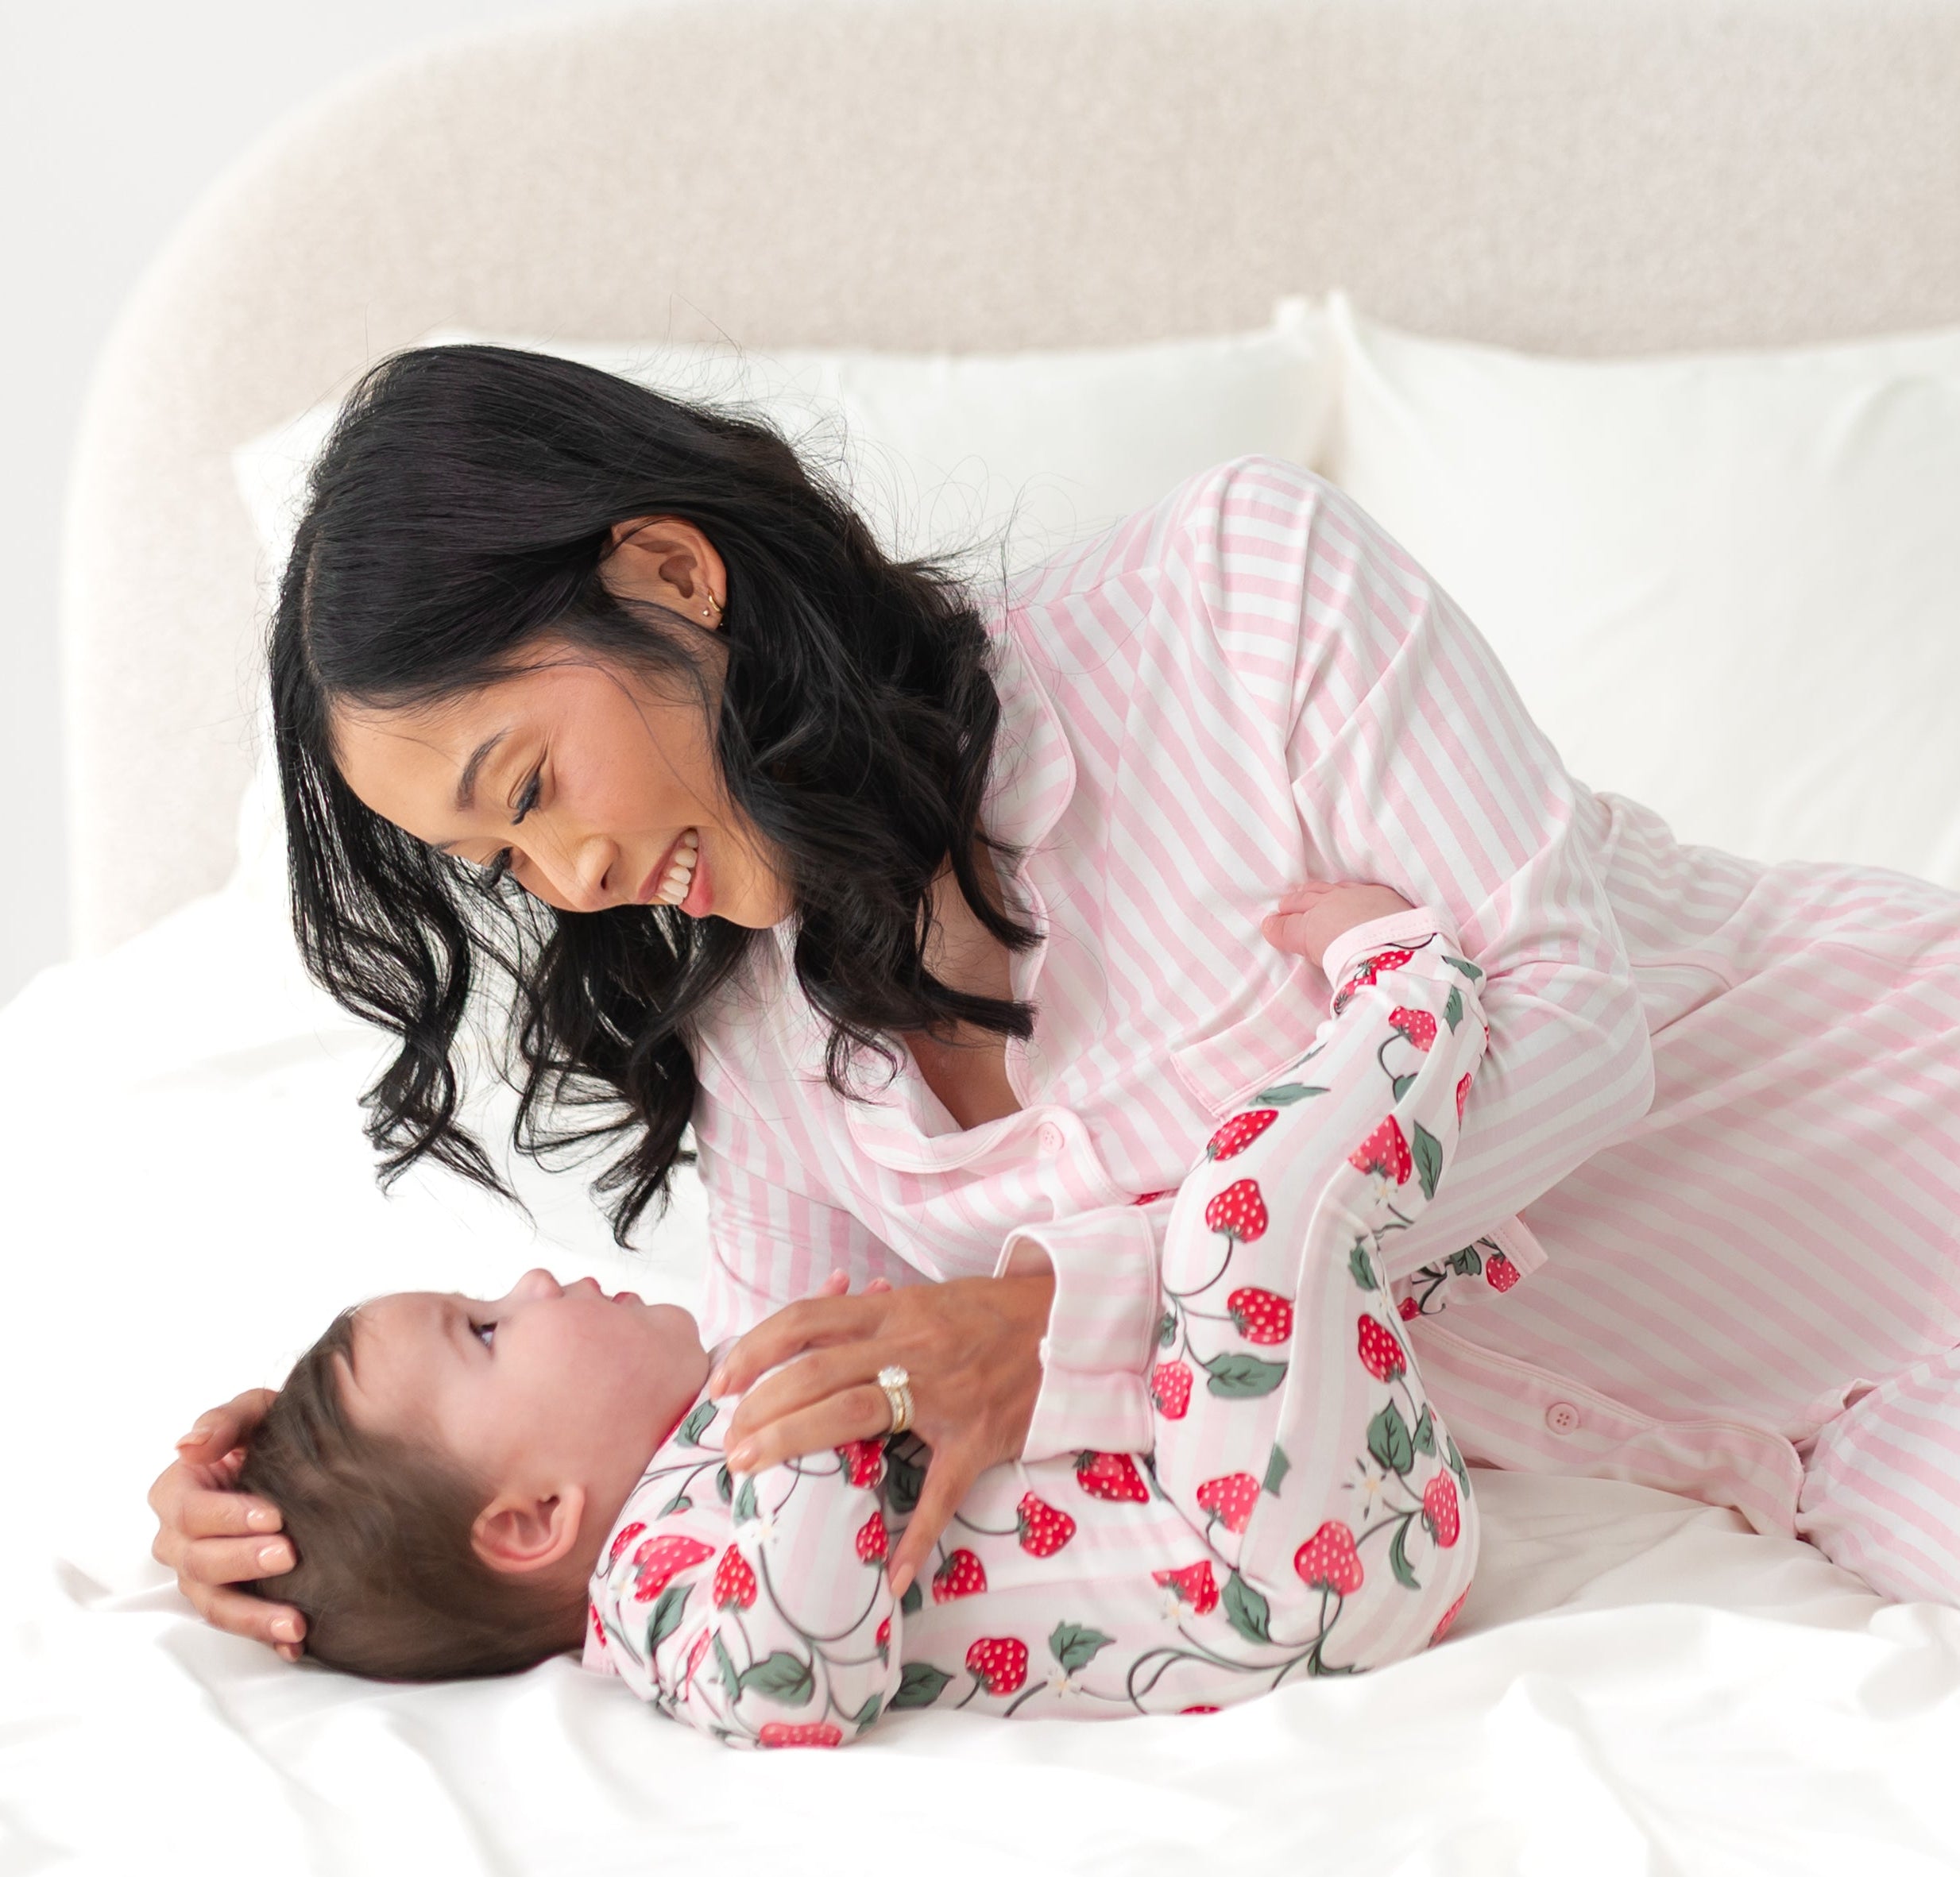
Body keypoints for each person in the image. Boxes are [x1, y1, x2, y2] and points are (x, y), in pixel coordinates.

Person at [149, 345, 1960, 1659]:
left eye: (531, 788)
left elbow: (1567, 1026)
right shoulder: (756, 1046)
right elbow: (755, 1456)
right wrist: (339, 1539)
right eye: (498, 864)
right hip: (1806, 1442)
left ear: (672, 578)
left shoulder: (1238, 598)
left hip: (1902, 1124)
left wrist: (1067, 1317)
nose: (567, 886)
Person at [236, 890, 1486, 1739]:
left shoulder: (700, 1465)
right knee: (1240, 1220)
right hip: (1268, 1582)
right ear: (531, 1522)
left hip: (1270, 1523)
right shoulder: (654, 1598)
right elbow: (796, 1679)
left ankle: (1430, 1230)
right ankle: (1415, 993)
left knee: (1226, 1262)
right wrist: (813, 1431)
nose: (535, 1281)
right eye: (486, 1331)